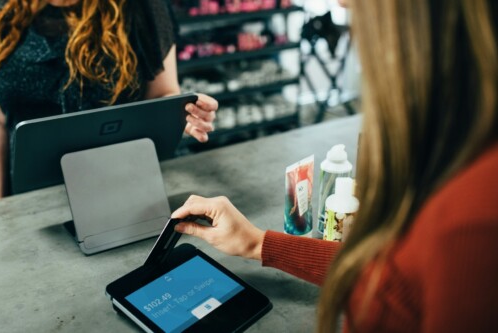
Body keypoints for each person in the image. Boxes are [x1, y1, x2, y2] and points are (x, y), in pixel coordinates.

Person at [172, 0, 498, 332]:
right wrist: (258, 243)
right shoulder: (453, 155)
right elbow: (394, 273)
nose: (341, 3)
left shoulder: (472, 222)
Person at [0, 0, 217, 202]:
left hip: (122, 189)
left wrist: (183, 111)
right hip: (27, 197)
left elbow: (162, 93)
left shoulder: (143, 6)